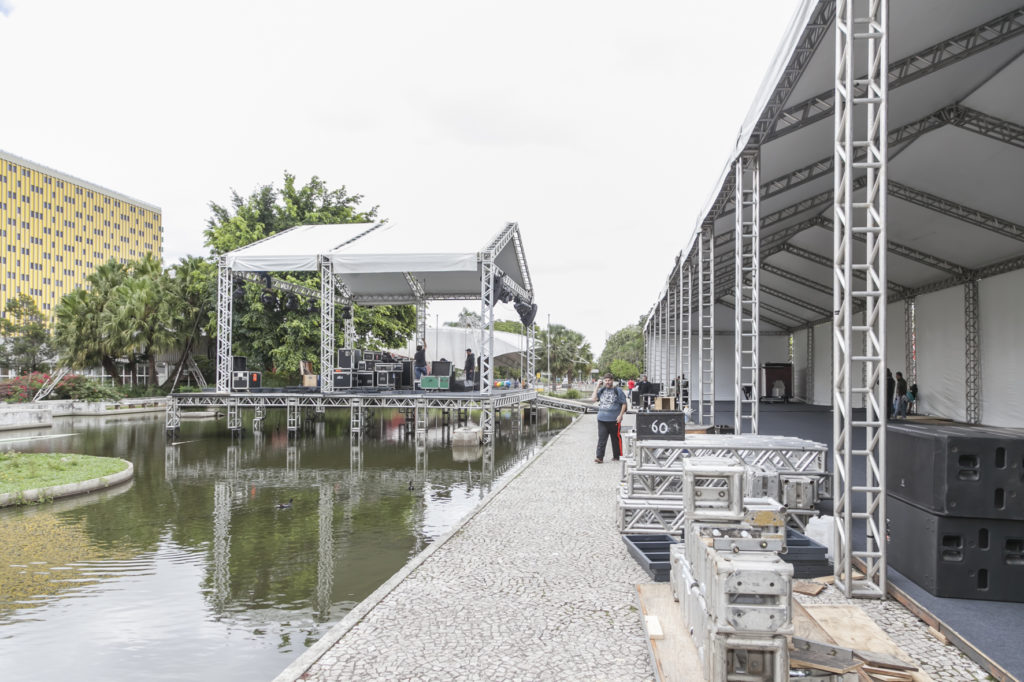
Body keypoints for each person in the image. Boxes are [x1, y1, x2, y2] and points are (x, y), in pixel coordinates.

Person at [589, 373, 627, 463]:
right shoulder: (602, 390)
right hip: (602, 419)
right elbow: (593, 399)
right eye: (606, 380)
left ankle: (617, 456)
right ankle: (599, 457)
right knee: (602, 438)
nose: (607, 382)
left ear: (612, 380)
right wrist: (597, 386)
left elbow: (624, 403)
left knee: (615, 438)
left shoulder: (618, 390)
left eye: (609, 380)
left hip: (614, 419)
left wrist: (620, 415)